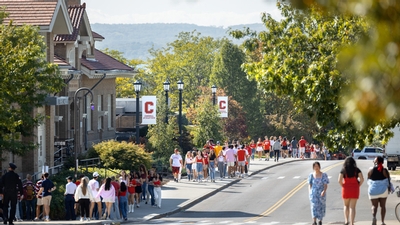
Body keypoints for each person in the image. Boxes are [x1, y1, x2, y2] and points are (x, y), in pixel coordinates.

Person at [338, 157, 364, 225]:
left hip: (346, 189)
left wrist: (343, 185)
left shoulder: (343, 170)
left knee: (346, 205)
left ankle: (346, 221)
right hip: (355, 189)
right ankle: (352, 222)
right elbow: (362, 179)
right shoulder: (357, 170)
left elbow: (339, 180)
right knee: (352, 207)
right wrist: (358, 185)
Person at [367, 156, 391, 225]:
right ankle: (382, 222)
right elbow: (388, 180)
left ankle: (374, 217)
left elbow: (368, 179)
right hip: (383, 190)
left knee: (374, 206)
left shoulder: (370, 170)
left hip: (373, 190)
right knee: (383, 206)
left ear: (375, 161)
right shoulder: (384, 170)